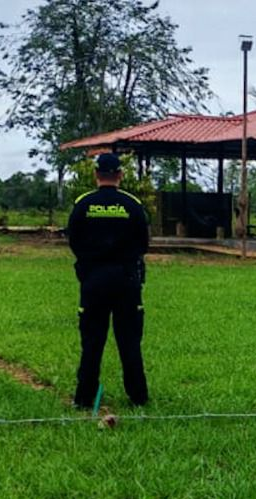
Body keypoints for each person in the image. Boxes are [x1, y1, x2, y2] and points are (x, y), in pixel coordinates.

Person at [66, 152, 150, 410]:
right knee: (129, 342)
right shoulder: (132, 204)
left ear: (96, 174)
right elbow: (143, 243)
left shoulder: (83, 204)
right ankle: (138, 397)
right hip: (126, 281)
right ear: (120, 175)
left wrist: (90, 264)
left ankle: (84, 398)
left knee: (92, 341)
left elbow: (73, 241)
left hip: (93, 282)